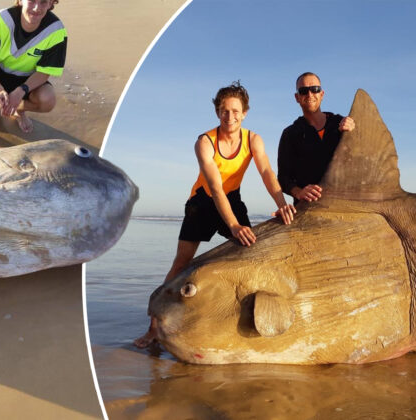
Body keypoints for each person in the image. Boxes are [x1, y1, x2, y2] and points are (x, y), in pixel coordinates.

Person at [134, 81, 296, 348]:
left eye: (235, 111)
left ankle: (235, 318)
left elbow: (267, 173)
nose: (229, 116)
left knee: (249, 252)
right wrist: (232, 225)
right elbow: (216, 188)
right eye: (224, 111)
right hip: (203, 201)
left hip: (232, 198)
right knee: (181, 263)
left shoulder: (253, 139)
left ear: (244, 113)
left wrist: (282, 203)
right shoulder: (205, 142)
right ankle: (154, 327)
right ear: (217, 112)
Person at [0, 0, 67, 133]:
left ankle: (18, 110)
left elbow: (44, 73)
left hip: (27, 79)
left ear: (51, 3)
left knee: (47, 100)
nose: (36, 8)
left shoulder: (56, 30)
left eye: (43, 2)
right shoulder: (3, 19)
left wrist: (21, 91)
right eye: (32, 1)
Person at [277, 72, 356, 203]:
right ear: (297, 97)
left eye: (315, 89)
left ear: (322, 94)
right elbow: (284, 178)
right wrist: (299, 192)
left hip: (345, 205)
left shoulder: (343, 124)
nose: (309, 95)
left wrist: (355, 133)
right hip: (309, 209)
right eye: (303, 91)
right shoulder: (290, 134)